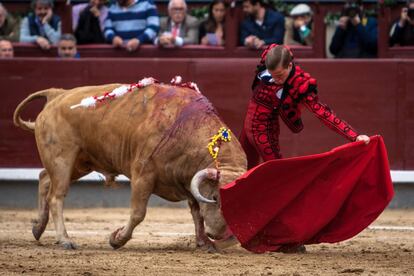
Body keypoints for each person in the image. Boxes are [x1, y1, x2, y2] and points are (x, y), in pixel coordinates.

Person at [239, 44, 370, 252]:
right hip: (252, 128)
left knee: (273, 181)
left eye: (280, 76)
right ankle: (279, 238)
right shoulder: (269, 60)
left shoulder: (300, 84)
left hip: (265, 130)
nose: (276, 80)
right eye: (273, 75)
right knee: (271, 181)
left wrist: (353, 136)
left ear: (290, 66)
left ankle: (271, 233)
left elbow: (323, 113)